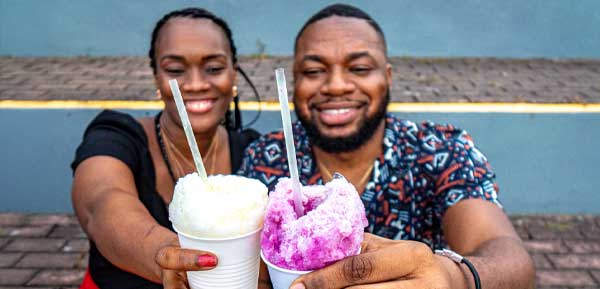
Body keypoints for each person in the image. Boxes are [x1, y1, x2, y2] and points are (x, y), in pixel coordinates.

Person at [239, 4, 535, 289]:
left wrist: (456, 278)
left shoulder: (442, 153)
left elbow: (509, 260)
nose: (336, 85)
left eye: (360, 68)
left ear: (387, 77)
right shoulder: (266, 158)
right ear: (295, 82)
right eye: (314, 71)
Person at [71, 7, 262, 289]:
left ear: (234, 76)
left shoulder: (255, 152)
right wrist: (170, 258)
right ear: (157, 79)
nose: (195, 84)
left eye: (214, 68)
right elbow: (101, 205)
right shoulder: (117, 136)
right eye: (175, 70)